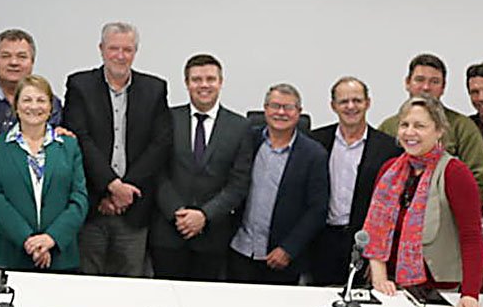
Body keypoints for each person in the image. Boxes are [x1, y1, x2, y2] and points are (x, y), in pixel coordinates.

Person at [363, 95, 483, 307]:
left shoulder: (455, 173)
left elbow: (472, 237)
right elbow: (375, 230)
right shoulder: (389, 170)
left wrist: (470, 295)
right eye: (404, 125)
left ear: (439, 131)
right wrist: (379, 278)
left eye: (419, 126)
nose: (409, 132)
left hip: (439, 293)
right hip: (390, 289)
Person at [64, 22, 170, 277]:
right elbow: (80, 139)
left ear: (135, 52)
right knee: (86, 282)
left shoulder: (155, 89)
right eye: (114, 48)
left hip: (134, 208)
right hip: (92, 205)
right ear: (101, 49)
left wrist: (126, 191)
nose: (120, 56)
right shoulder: (80, 85)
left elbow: (160, 144)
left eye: (127, 49)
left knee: (131, 285)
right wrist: (111, 187)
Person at [151, 54, 252, 281]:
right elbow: (157, 171)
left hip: (212, 237)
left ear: (221, 82)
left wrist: (204, 215)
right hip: (168, 234)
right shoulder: (167, 118)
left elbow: (239, 183)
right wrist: (177, 212)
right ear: (186, 83)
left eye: (210, 79)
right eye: (196, 79)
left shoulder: (240, 127)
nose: (204, 85)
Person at [0, 75, 88, 271]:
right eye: (27, 100)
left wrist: (51, 238)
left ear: (50, 107)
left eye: (41, 100)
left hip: (60, 257)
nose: (34, 106)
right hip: (9, 256)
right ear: (16, 106)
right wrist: (28, 240)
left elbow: (79, 199)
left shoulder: (69, 146)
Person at [228, 84, 329, 285]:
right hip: (240, 249)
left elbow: (317, 209)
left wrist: (289, 249)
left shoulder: (314, 154)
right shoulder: (248, 140)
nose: (281, 112)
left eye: (288, 107)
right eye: (275, 106)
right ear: (265, 109)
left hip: (281, 258)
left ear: (299, 112)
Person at [308, 77, 401, 286]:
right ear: (333, 106)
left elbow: (392, 208)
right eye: (344, 101)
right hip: (321, 241)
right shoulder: (315, 141)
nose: (351, 106)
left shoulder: (388, 149)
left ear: (368, 103)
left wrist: (378, 259)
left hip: (364, 243)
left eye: (357, 100)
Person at [378, 53, 483, 199]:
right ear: (407, 83)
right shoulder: (388, 127)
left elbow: (479, 178)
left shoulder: (462, 127)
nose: (426, 87)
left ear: (443, 87)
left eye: (434, 82)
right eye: (419, 80)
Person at [0, 28, 63, 151]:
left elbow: (57, 147)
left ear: (32, 62)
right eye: (5, 56)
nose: (13, 62)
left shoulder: (50, 103)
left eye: (22, 57)